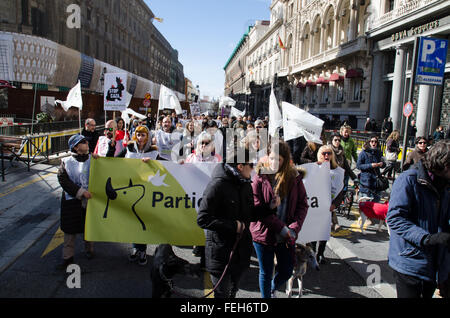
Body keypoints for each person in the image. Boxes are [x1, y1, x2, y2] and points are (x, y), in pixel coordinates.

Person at [386, 140, 450, 298]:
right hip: (410, 261)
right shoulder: (409, 179)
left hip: (434, 263)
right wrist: (426, 238)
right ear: (443, 164)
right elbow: (395, 218)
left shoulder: (446, 185)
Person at [250, 141, 309, 298]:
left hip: (286, 236)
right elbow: (257, 208)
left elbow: (303, 205)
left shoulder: (294, 178)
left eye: (279, 160)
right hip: (263, 234)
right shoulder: (260, 177)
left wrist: (294, 228)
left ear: (286, 160)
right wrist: (282, 228)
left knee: (286, 270)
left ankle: (272, 288)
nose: (274, 163)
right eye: (272, 158)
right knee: (266, 271)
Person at [197, 148, 257, 298]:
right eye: (251, 164)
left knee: (232, 292)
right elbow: (203, 219)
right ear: (240, 166)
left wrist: (270, 208)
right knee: (222, 294)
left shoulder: (246, 184)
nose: (254, 168)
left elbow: (250, 213)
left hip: (240, 252)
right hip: (220, 253)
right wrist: (233, 226)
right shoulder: (217, 185)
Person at [113, 125, 160, 265]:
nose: (140, 138)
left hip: (146, 191)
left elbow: (167, 165)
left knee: (143, 221)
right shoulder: (129, 149)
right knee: (134, 220)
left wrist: (153, 163)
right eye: (138, 135)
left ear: (148, 137)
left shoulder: (153, 152)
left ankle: (142, 250)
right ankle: (135, 248)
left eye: (143, 135)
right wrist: (99, 158)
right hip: (131, 188)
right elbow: (113, 160)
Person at [56, 134, 94, 269]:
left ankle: (89, 250)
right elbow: (63, 180)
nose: (87, 144)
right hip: (71, 202)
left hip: (90, 201)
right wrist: (81, 192)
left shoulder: (93, 160)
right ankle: (67, 257)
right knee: (70, 231)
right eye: (83, 142)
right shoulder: (66, 162)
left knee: (89, 227)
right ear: (76, 147)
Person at [309, 145, 345, 263]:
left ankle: (320, 253)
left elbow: (340, 192)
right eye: (324, 153)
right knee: (313, 231)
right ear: (319, 154)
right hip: (314, 205)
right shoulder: (313, 168)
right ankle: (312, 252)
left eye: (329, 153)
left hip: (328, 207)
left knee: (324, 231)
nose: (326, 156)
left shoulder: (338, 171)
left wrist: (335, 205)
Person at [329, 133, 358, 231]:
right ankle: (335, 223)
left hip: (338, 181)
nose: (337, 142)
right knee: (329, 202)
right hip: (328, 180)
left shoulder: (342, 152)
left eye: (338, 140)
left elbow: (347, 167)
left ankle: (332, 222)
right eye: (335, 140)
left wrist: (354, 178)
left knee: (335, 202)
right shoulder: (328, 151)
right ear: (331, 141)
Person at [357, 135, 386, 202]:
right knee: (366, 205)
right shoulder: (363, 153)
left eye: (375, 142)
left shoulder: (379, 153)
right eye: (372, 141)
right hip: (366, 182)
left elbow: (384, 163)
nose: (374, 143)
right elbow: (359, 166)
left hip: (376, 183)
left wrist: (382, 164)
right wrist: (371, 165)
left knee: (376, 204)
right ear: (369, 142)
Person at [340, 125, 358, 192]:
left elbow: (354, 152)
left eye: (348, 132)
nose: (346, 133)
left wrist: (358, 162)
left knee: (346, 178)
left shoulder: (351, 141)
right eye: (345, 132)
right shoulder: (338, 140)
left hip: (347, 163)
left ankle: (344, 193)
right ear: (341, 132)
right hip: (338, 162)